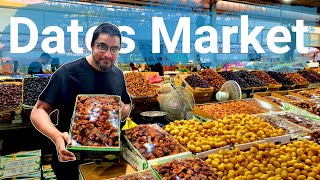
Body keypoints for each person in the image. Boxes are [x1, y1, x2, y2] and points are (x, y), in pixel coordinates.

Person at [30, 22, 132, 180]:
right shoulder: (67, 73)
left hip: (107, 162)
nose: (108, 55)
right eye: (102, 47)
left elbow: (126, 106)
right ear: (91, 45)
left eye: (114, 49)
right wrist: (57, 136)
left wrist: (122, 111)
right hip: (72, 161)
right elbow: (38, 111)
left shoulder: (118, 75)